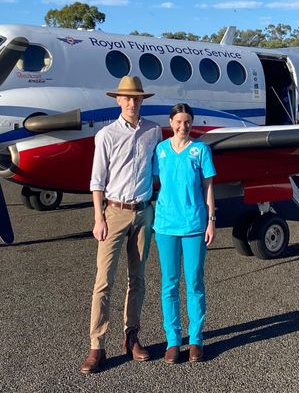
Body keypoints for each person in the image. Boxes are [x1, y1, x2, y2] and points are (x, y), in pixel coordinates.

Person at [80, 76, 162, 374]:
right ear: (118, 100)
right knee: (104, 281)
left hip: (143, 213)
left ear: (142, 100)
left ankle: (132, 337)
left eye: (136, 98)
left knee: (137, 279)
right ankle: (96, 345)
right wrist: (98, 217)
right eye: (126, 98)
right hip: (114, 212)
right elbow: (97, 181)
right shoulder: (106, 135)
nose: (131, 102)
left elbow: (158, 171)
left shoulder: (154, 131)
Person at [152, 103, 216, 364]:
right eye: (178, 121)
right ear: (171, 122)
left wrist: (211, 221)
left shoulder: (201, 150)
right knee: (169, 283)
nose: (183, 126)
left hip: (194, 225)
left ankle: (196, 339)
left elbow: (208, 187)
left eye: (187, 121)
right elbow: (153, 181)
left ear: (192, 123)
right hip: (165, 225)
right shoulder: (161, 150)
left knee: (194, 282)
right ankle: (173, 340)